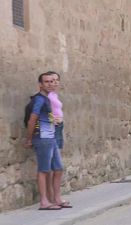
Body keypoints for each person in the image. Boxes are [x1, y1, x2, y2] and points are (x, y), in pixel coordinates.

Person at [25, 72, 66, 210]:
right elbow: (32, 119)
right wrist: (29, 138)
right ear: (40, 85)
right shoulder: (39, 100)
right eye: (47, 82)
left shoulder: (48, 99)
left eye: (52, 81)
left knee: (58, 168)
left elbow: (46, 118)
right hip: (42, 138)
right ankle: (44, 201)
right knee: (44, 170)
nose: (50, 84)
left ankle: (56, 198)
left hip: (51, 137)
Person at [46, 71, 72, 208]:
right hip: (52, 129)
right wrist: (52, 120)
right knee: (54, 166)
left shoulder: (54, 95)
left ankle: (55, 197)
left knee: (56, 166)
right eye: (51, 80)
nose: (54, 82)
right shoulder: (47, 97)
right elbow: (43, 113)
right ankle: (53, 198)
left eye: (56, 80)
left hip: (58, 128)